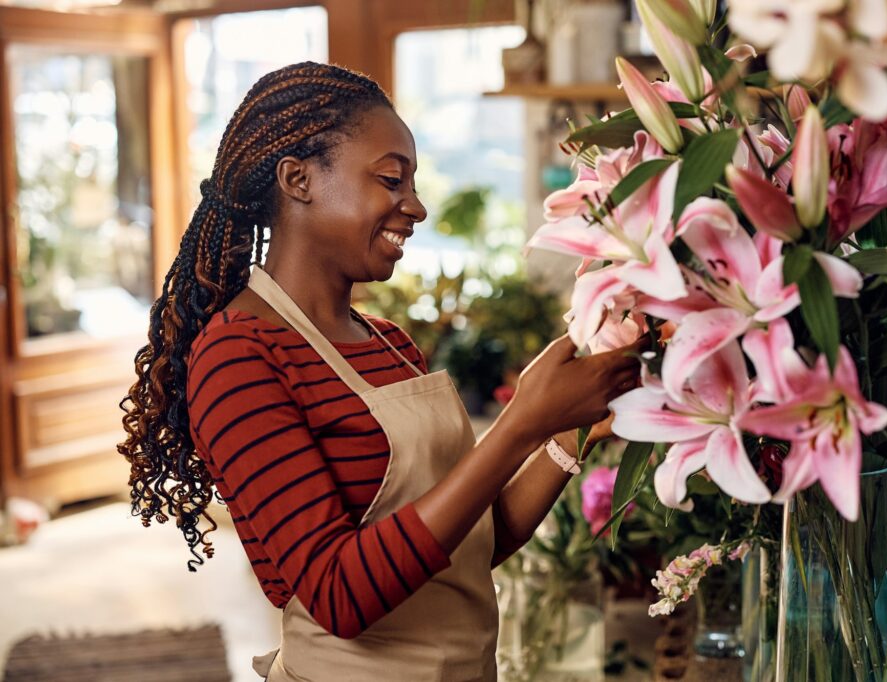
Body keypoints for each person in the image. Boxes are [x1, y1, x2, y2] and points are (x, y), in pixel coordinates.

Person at [118, 62, 641, 681]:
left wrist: (569, 431)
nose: (415, 206)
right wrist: (521, 423)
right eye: (391, 179)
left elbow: (471, 542)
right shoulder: (239, 356)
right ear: (298, 180)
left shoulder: (388, 343)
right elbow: (340, 596)